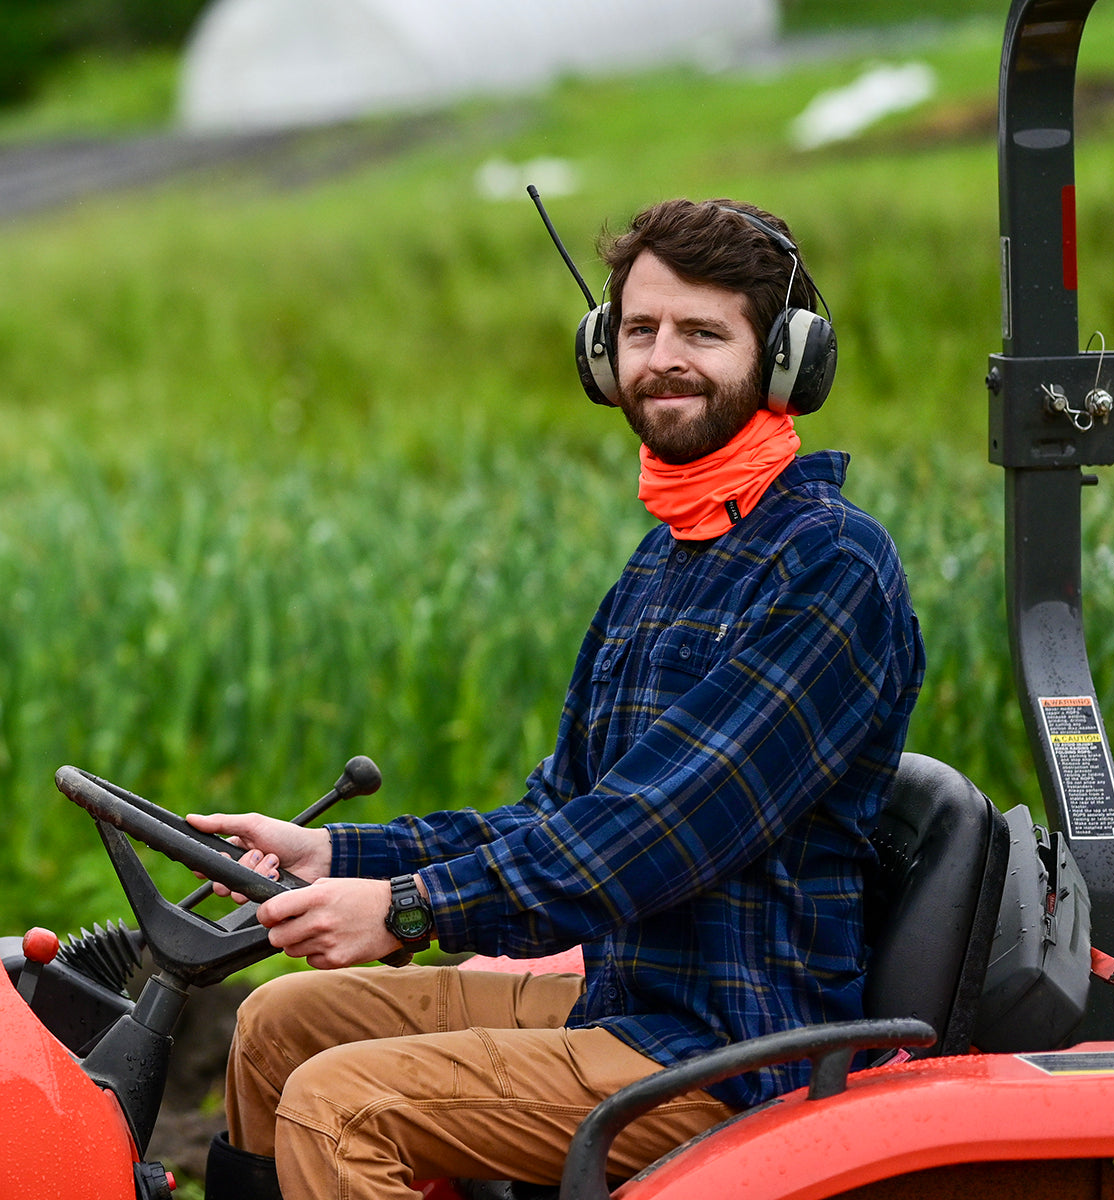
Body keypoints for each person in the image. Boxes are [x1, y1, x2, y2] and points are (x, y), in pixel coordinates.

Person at [189, 197, 925, 1200]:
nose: (664, 357)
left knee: (340, 1103)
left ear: (787, 360)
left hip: (738, 1054)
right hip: (627, 1002)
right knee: (281, 1025)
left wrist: (409, 910)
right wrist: (343, 856)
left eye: (703, 333)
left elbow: (652, 830)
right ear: (601, 354)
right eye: (640, 330)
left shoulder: (827, 567)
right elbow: (556, 814)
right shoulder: (666, 563)